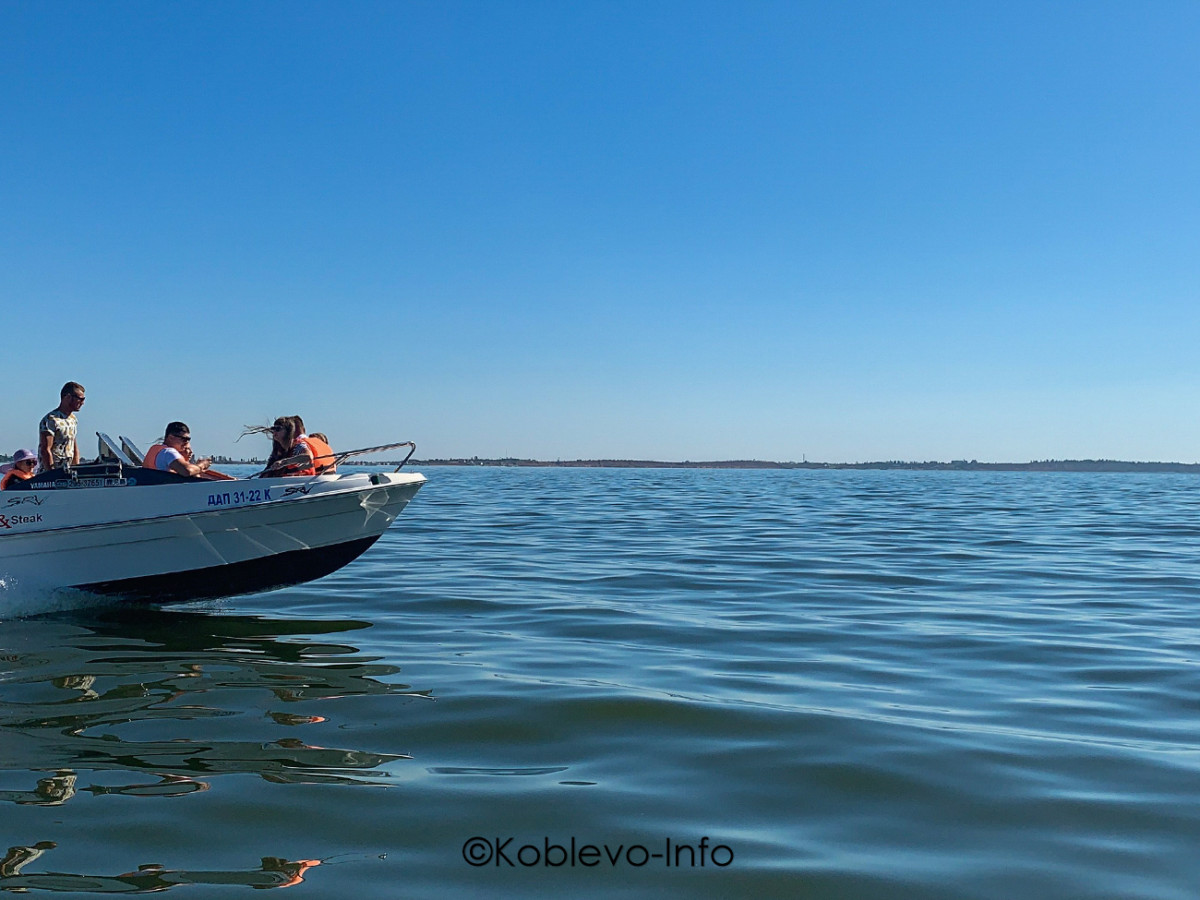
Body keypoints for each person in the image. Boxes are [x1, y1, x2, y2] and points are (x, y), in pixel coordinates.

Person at [142, 422, 234, 480]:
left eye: (188, 439)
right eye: (184, 439)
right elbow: (187, 471)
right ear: (170, 437)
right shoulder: (169, 452)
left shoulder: (156, 450)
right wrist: (202, 465)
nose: (186, 442)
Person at [38, 381, 85, 471]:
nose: (82, 403)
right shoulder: (51, 420)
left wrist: (77, 469)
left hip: (67, 472)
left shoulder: (73, 419)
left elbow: (73, 445)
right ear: (68, 397)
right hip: (52, 473)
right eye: (80, 399)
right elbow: (46, 449)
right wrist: (50, 474)